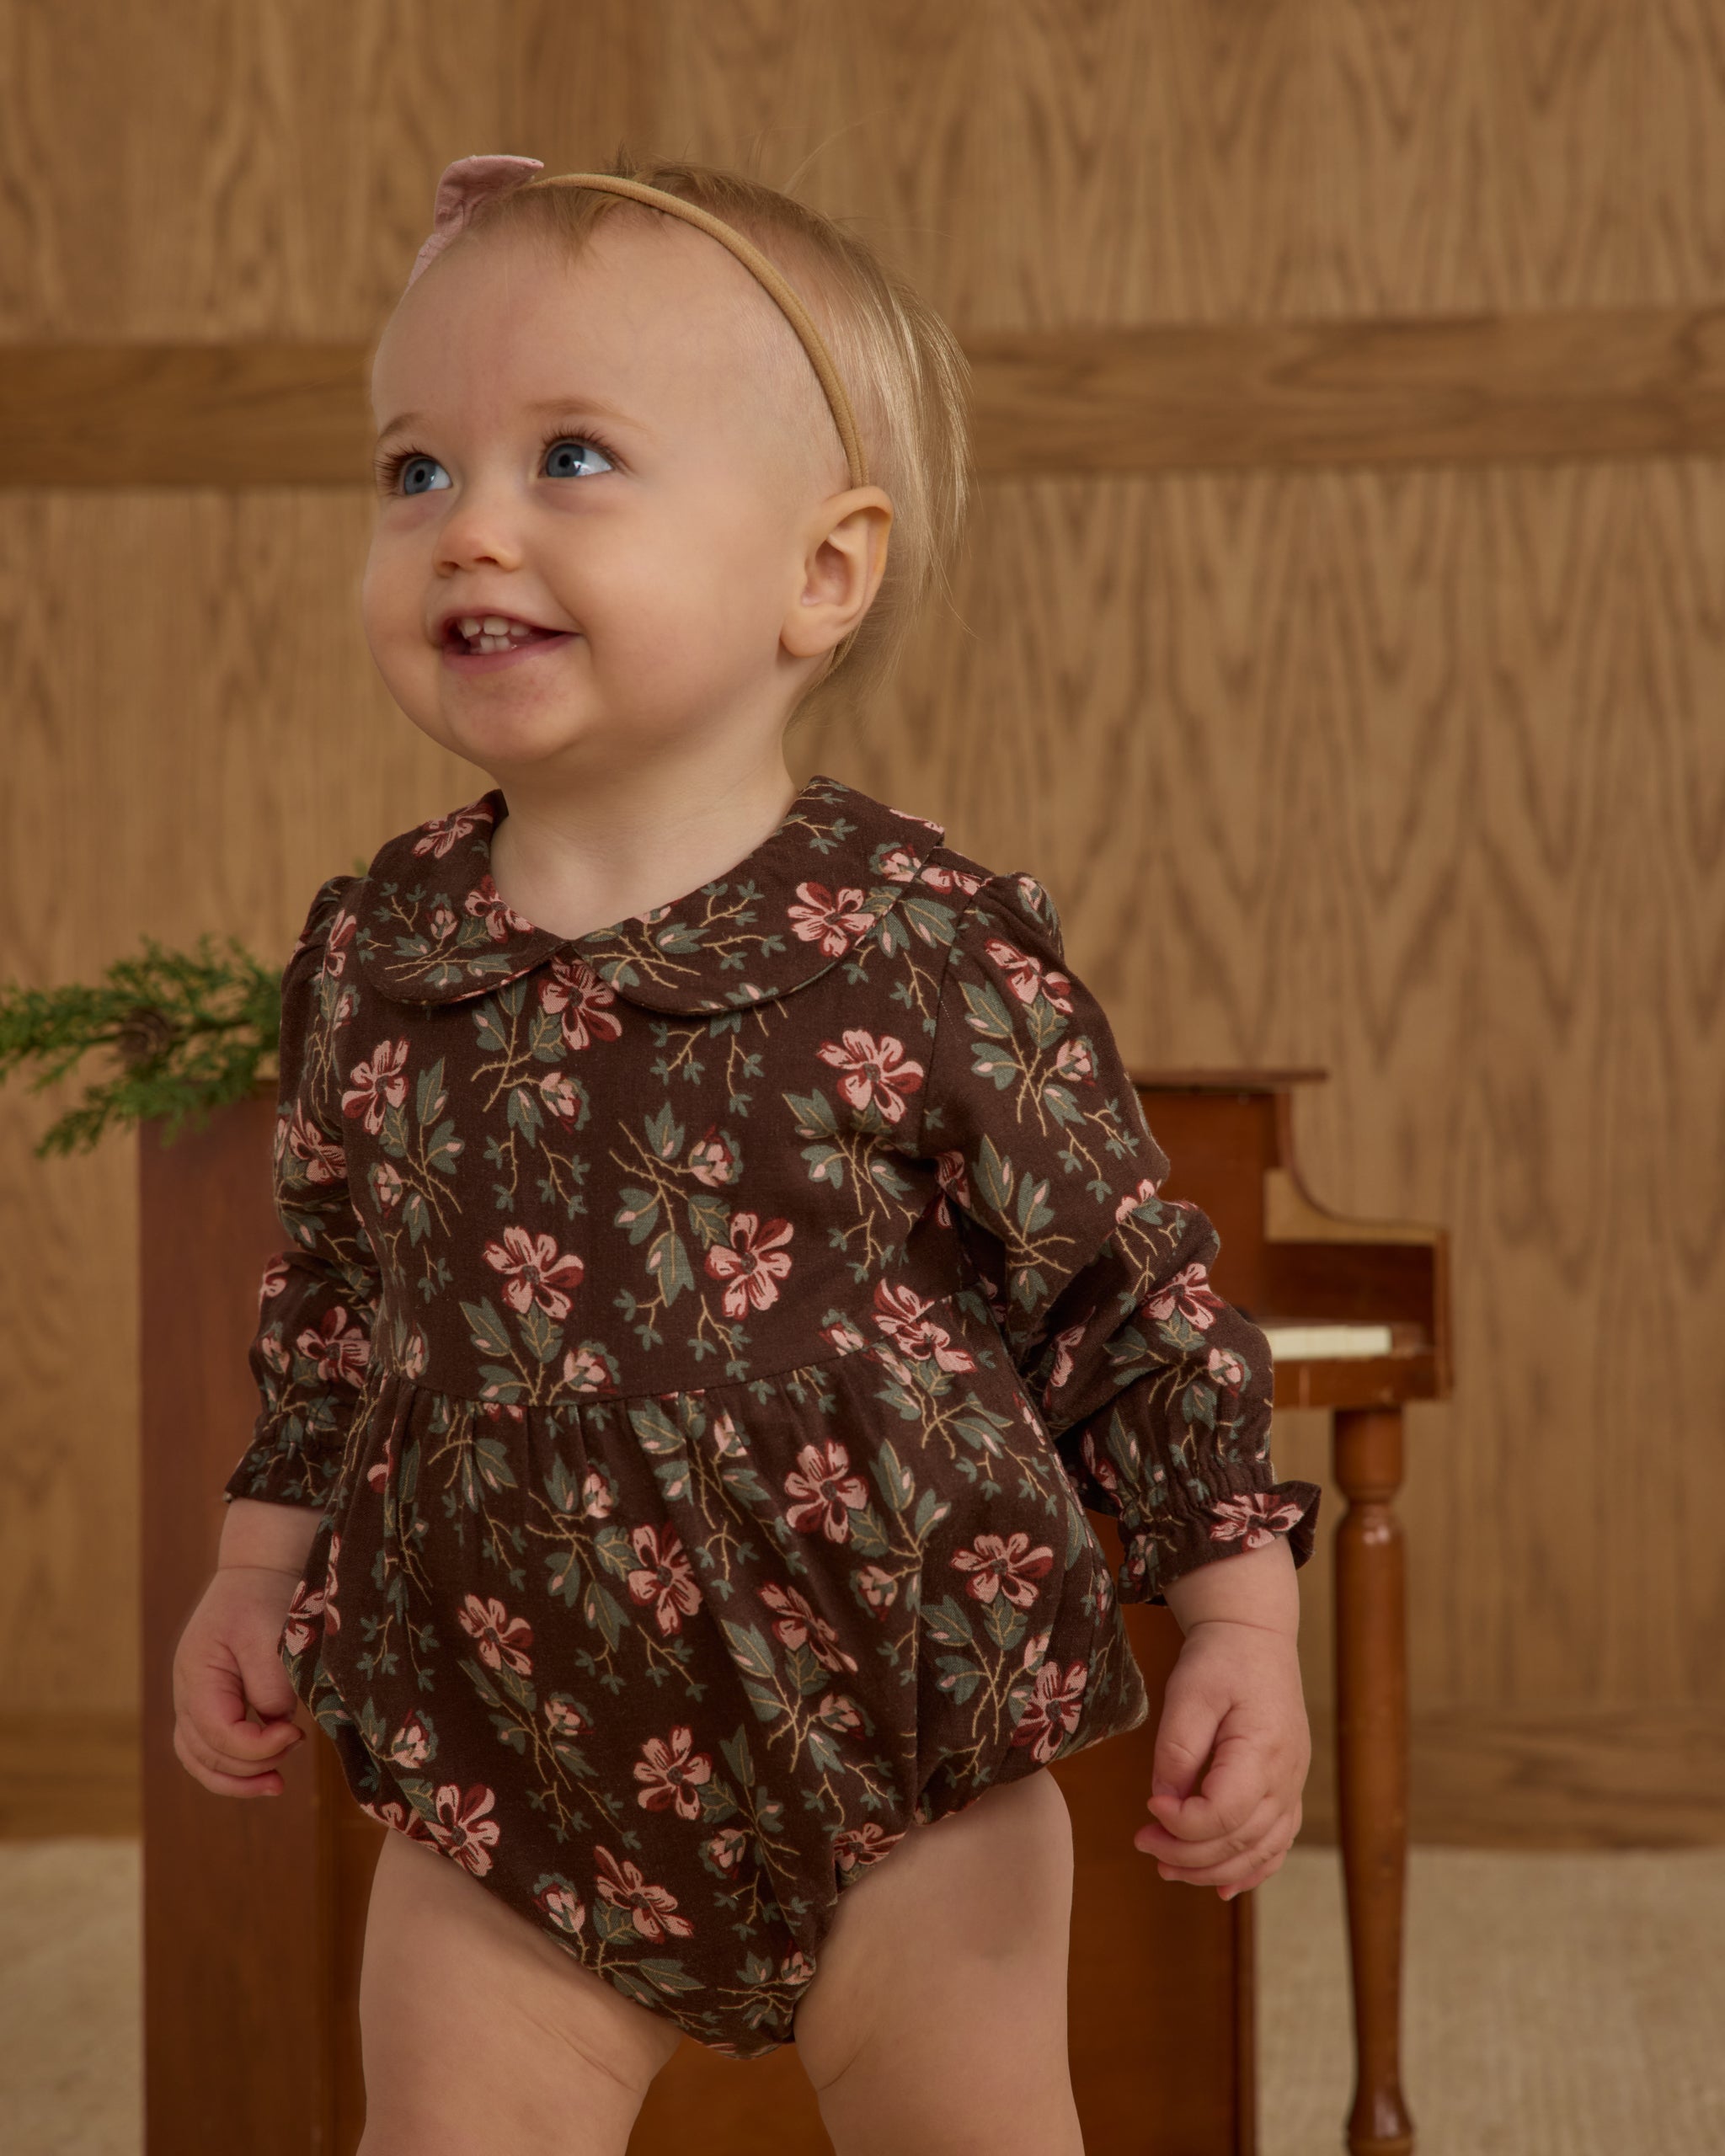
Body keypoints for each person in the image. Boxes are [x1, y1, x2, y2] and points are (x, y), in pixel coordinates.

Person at [171, 151, 1322, 2155]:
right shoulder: (381, 949)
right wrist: (256, 1567)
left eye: (573, 458)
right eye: (416, 471)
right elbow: (336, 1298)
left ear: (822, 571)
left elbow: (1124, 1289)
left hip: (904, 1752)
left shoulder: (917, 936)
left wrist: (1237, 1613)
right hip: (504, 1749)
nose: (471, 530)